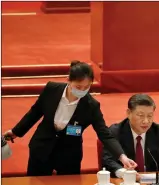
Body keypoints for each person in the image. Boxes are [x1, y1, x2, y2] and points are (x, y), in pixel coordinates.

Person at [3, 60, 137, 176]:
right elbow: (35, 112)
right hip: (41, 148)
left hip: (69, 156)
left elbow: (105, 134)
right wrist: (16, 132)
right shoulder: (51, 89)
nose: (82, 91)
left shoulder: (91, 105)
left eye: (87, 87)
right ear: (68, 80)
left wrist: (122, 157)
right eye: (78, 87)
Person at [102, 94, 159, 181]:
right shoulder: (115, 132)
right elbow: (108, 161)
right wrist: (124, 173)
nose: (146, 121)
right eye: (140, 115)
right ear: (128, 113)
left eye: (150, 116)